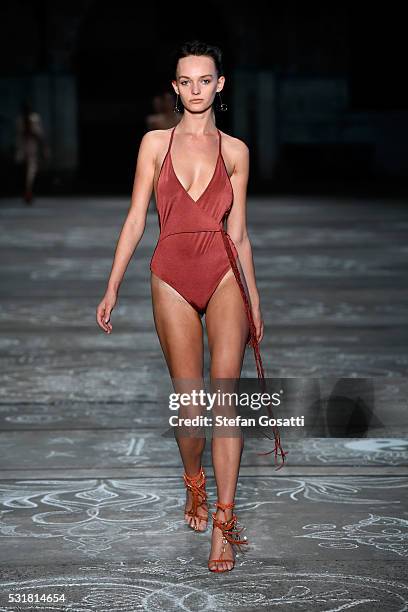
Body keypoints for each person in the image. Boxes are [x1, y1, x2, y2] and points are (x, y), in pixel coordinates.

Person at [96, 40, 286, 573]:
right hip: (171, 274)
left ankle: (224, 524)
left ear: (220, 85)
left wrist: (255, 300)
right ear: (175, 87)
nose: (197, 89)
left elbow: (241, 234)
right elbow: (136, 219)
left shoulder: (237, 151)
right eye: (187, 81)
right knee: (190, 400)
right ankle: (194, 483)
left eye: (207, 80)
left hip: (224, 271)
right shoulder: (155, 144)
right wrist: (112, 286)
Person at [15, 100, 50, 204]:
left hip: (31, 148)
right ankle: (26, 193)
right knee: (24, 171)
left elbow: (39, 134)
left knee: (31, 172)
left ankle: (28, 192)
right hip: (23, 148)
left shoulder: (34, 119)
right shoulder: (20, 120)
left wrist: (44, 148)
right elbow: (19, 135)